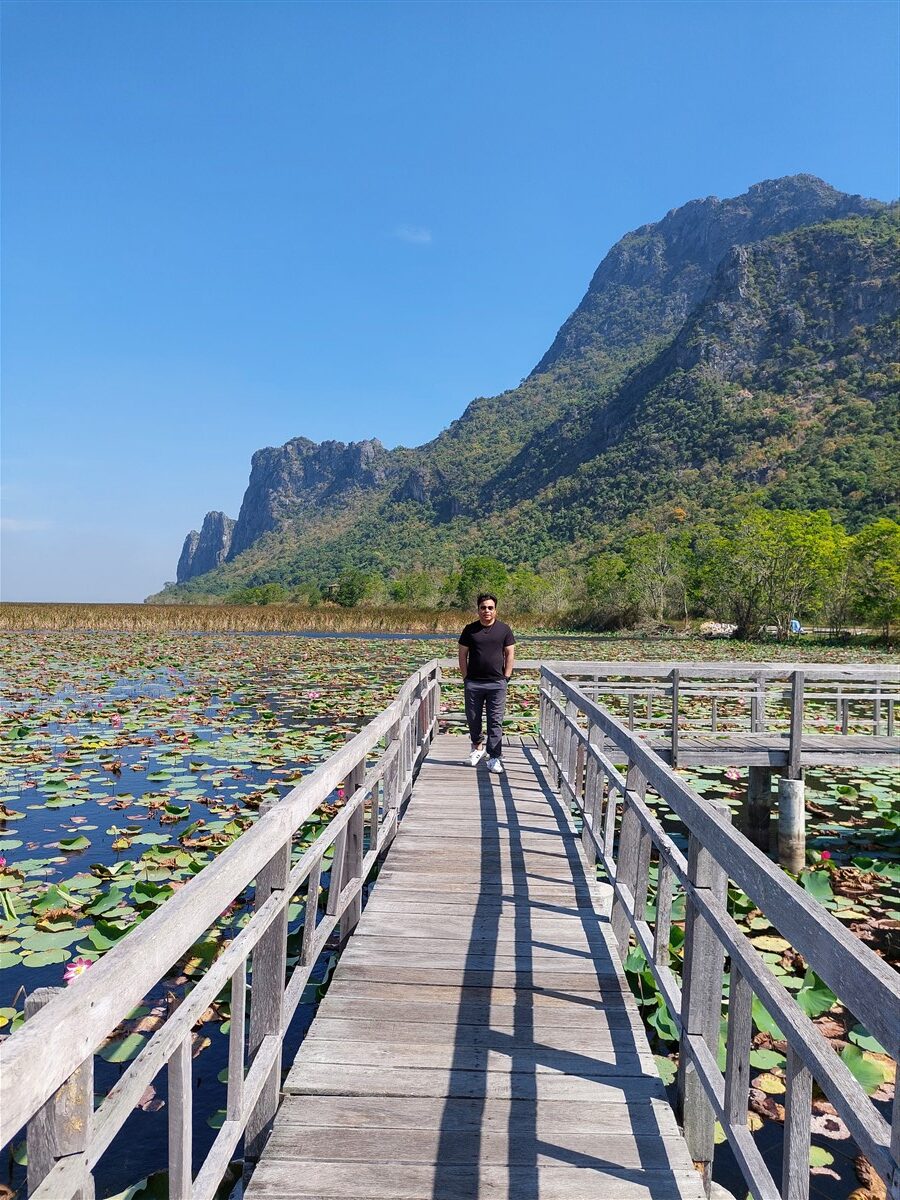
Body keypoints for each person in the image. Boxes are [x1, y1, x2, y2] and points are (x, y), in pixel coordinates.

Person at [458, 593, 516, 774]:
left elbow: (509, 654)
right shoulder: (469, 630)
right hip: (474, 683)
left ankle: (494, 757)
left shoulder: (504, 630)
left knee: (495, 722)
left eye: (490, 608)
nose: (486, 611)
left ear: (495, 610)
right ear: (478, 609)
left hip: (497, 684)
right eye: (483, 608)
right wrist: (466, 678)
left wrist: (506, 677)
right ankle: (477, 748)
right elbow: (462, 654)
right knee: (473, 718)